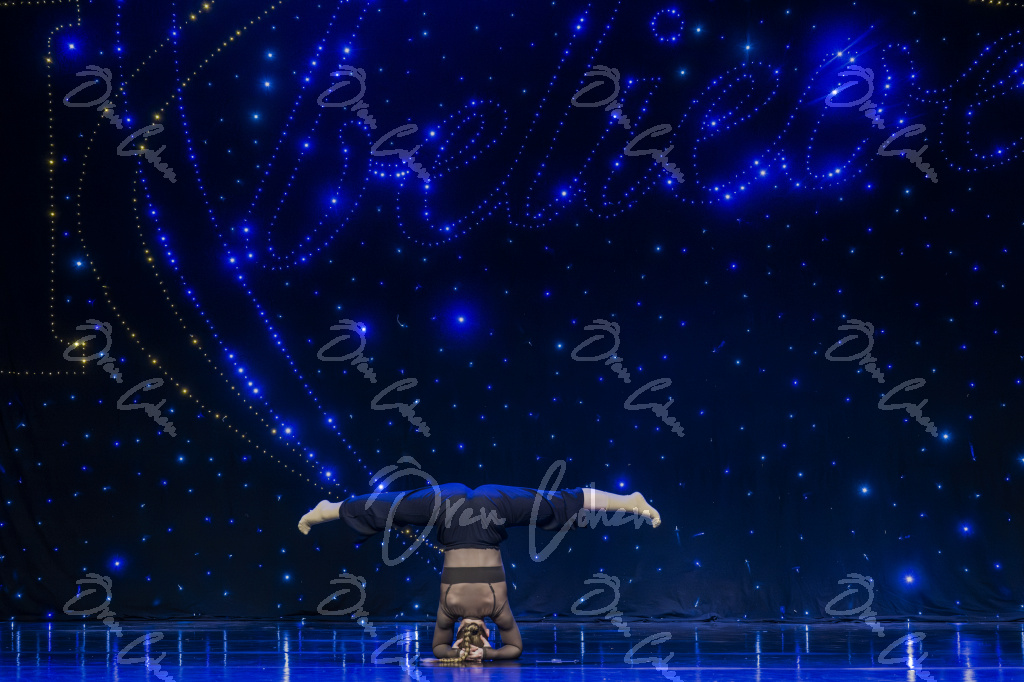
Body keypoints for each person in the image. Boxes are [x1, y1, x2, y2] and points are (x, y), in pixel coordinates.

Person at [298, 481, 661, 661]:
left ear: (459, 634)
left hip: (451, 511)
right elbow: (514, 649)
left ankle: (329, 509)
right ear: (489, 632)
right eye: (480, 640)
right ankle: (628, 502)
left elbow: (438, 648)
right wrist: (487, 656)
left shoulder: (450, 613)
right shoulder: (495, 611)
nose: (471, 638)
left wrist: (458, 655)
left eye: (465, 640)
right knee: (555, 505)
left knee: (391, 508)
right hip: (489, 511)